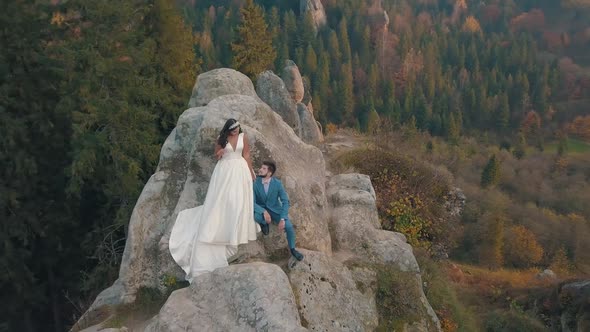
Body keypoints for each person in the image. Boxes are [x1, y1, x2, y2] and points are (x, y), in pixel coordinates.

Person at [168, 118, 259, 283]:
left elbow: (246, 154)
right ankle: (220, 225)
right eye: (233, 130)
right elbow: (216, 155)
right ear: (228, 130)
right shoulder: (221, 138)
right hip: (224, 171)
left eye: (237, 129)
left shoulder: (243, 137)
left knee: (237, 199)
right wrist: (220, 153)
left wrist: (251, 171)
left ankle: (234, 229)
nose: (236, 132)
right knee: (223, 200)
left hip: (239, 169)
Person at [253, 161, 304, 261]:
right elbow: (252, 201)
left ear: (269, 173)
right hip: (262, 209)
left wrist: (283, 218)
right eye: (261, 167)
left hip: (275, 209)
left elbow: (285, 201)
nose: (260, 169)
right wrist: (263, 211)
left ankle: (293, 249)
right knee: (256, 217)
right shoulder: (255, 183)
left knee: (289, 226)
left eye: (263, 168)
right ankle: (264, 224)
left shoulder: (277, 184)